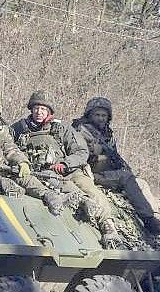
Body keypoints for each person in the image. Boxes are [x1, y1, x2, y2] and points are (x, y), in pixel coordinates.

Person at [11, 91, 122, 247]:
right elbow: (7, 145)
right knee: (66, 189)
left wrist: (65, 164)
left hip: (71, 171)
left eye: (43, 109)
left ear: (49, 111)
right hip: (44, 174)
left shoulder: (61, 128)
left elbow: (81, 151)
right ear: (31, 109)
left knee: (94, 193)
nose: (39, 112)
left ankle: (108, 227)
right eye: (36, 108)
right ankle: (81, 201)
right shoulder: (18, 129)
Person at [71, 97, 160, 235]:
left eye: (104, 115)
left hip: (106, 173)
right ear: (89, 115)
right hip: (88, 173)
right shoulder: (81, 131)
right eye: (97, 115)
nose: (101, 118)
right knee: (126, 176)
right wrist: (98, 153)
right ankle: (148, 220)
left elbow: (115, 157)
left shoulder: (107, 134)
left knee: (140, 183)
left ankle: (155, 217)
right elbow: (79, 155)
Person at [0, 91, 67, 214]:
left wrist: (22, 162)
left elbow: (11, 149)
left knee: (26, 178)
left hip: (5, 170)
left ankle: (48, 195)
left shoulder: (0, 130)